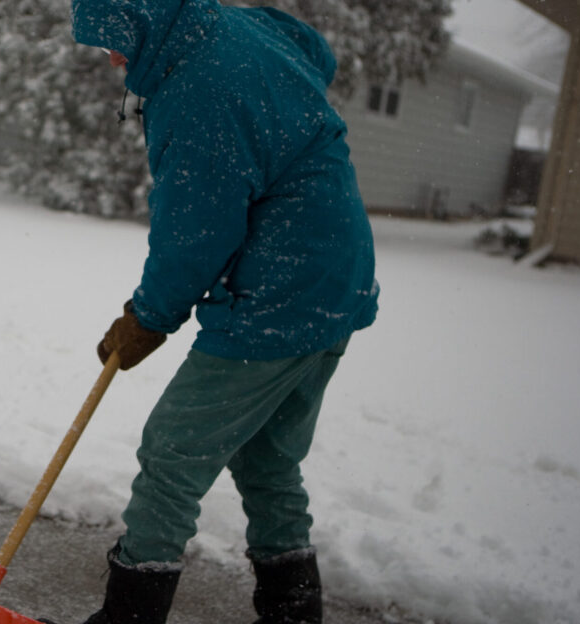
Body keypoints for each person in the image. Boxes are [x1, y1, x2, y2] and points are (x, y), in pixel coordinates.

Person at [69, 1, 380, 623]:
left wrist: (149, 318)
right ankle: (294, 615)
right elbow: (312, 49)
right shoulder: (229, 29)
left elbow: (195, 229)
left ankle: (129, 617)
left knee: (172, 451)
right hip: (337, 279)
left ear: (143, 19)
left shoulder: (199, 88)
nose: (113, 57)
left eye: (117, 38)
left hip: (280, 292)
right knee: (267, 458)